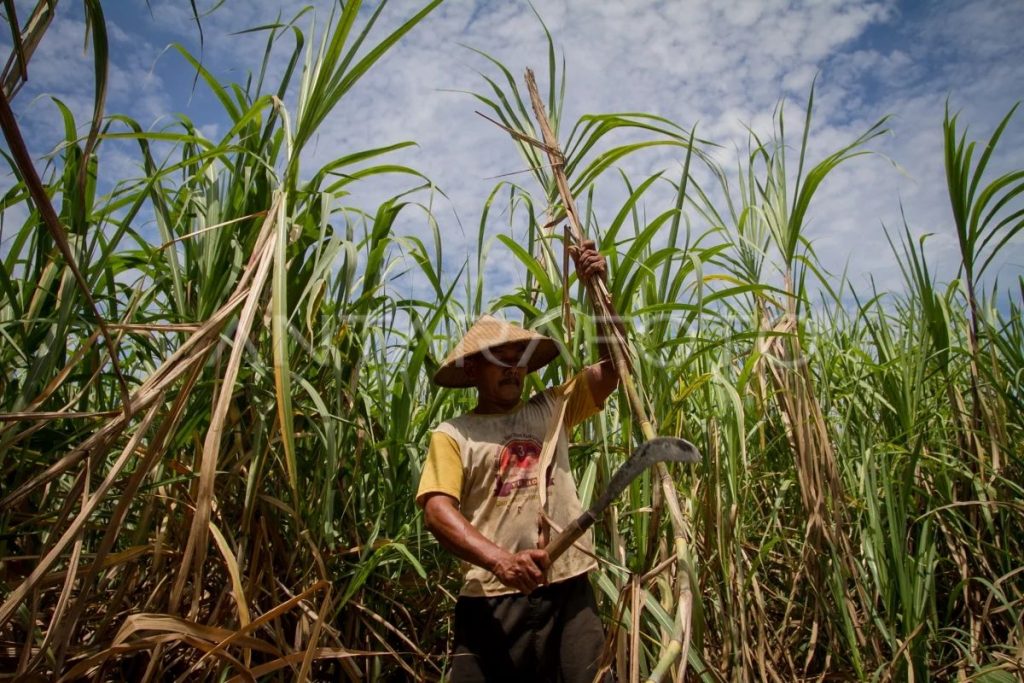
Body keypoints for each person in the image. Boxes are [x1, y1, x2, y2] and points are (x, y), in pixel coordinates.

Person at [416, 241, 618, 682]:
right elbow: (437, 510)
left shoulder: (553, 409)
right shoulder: (454, 435)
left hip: (568, 588)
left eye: (518, 361)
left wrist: (597, 291)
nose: (512, 370)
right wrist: (500, 562)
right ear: (471, 371)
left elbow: (612, 365)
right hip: (491, 598)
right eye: (498, 361)